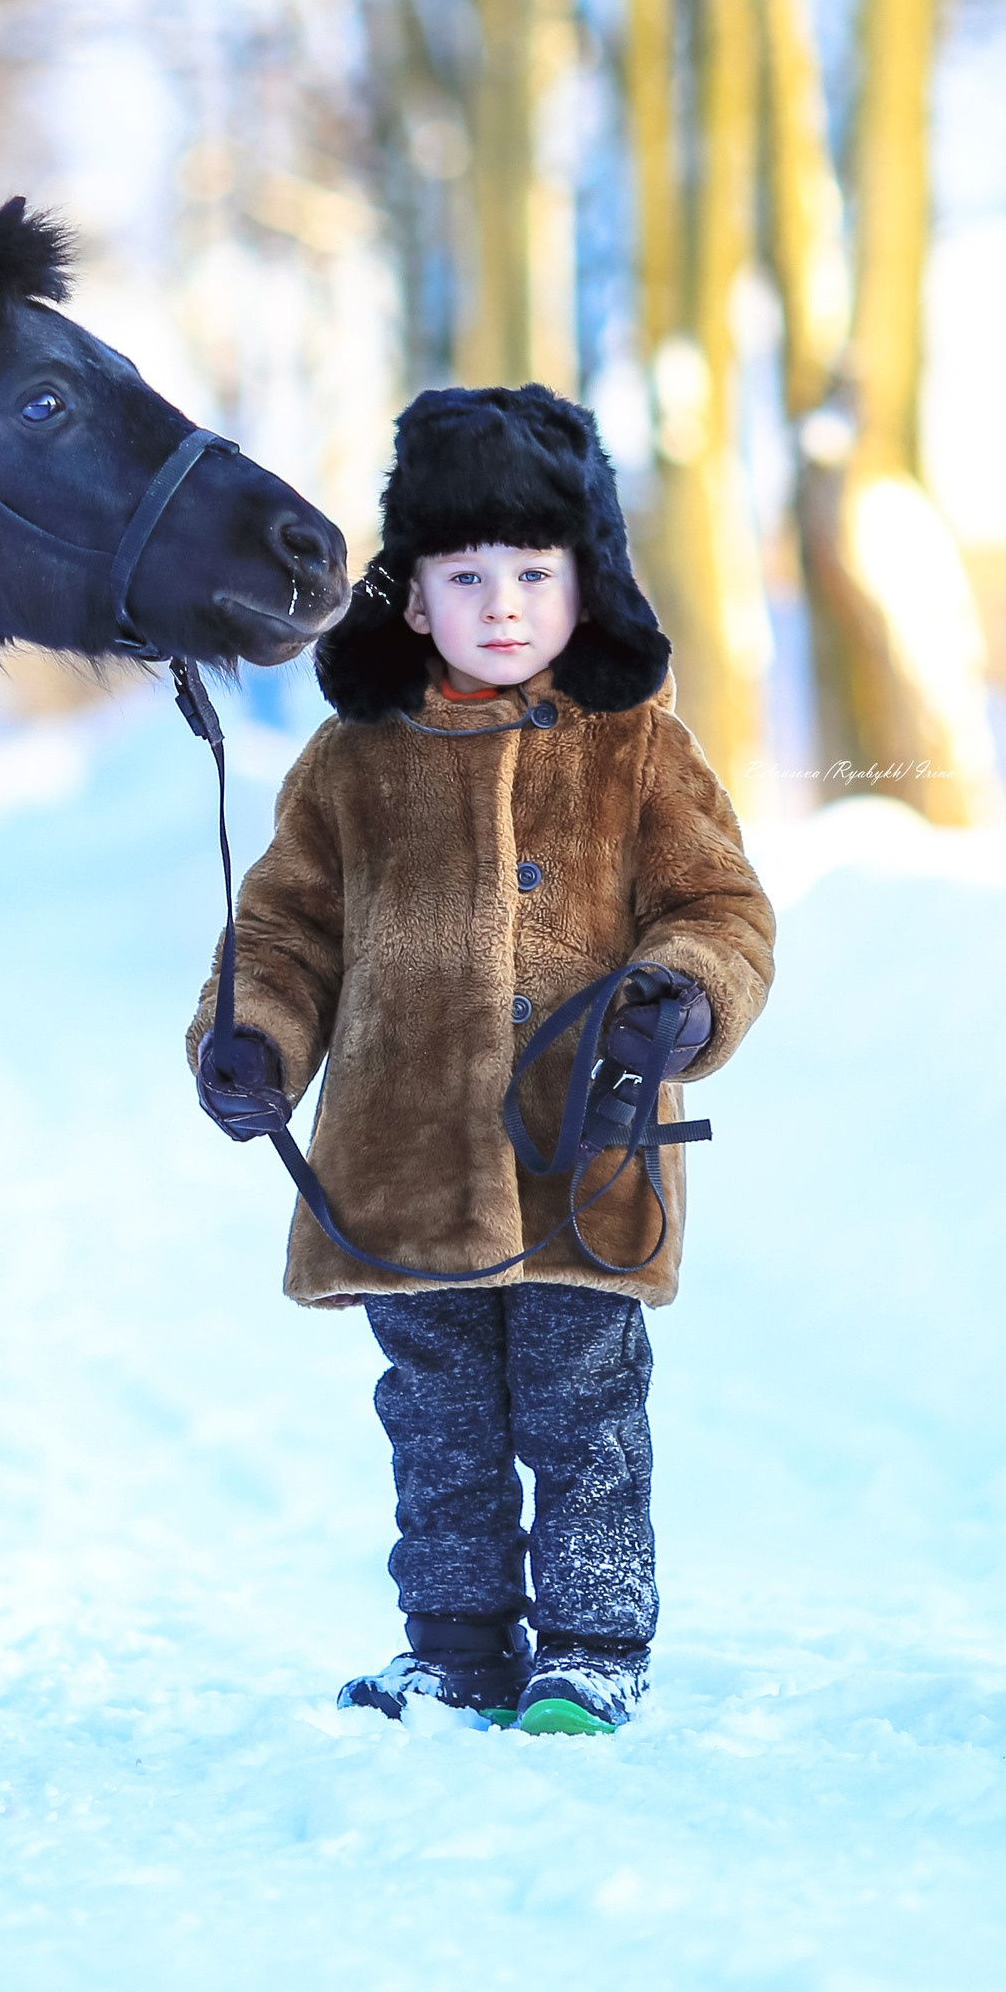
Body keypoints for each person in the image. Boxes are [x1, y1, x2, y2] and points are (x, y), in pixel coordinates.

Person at [186, 383, 776, 1734]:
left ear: (585, 585)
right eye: (467, 574)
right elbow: (285, 933)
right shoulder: (352, 762)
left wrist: (680, 996)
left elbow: (723, 909)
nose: (501, 603)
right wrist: (253, 1040)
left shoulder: (637, 748)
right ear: (412, 595)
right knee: (438, 1422)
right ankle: (454, 1645)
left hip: (586, 1159)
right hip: (403, 1171)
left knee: (584, 1414)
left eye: (532, 571)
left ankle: (591, 1643)